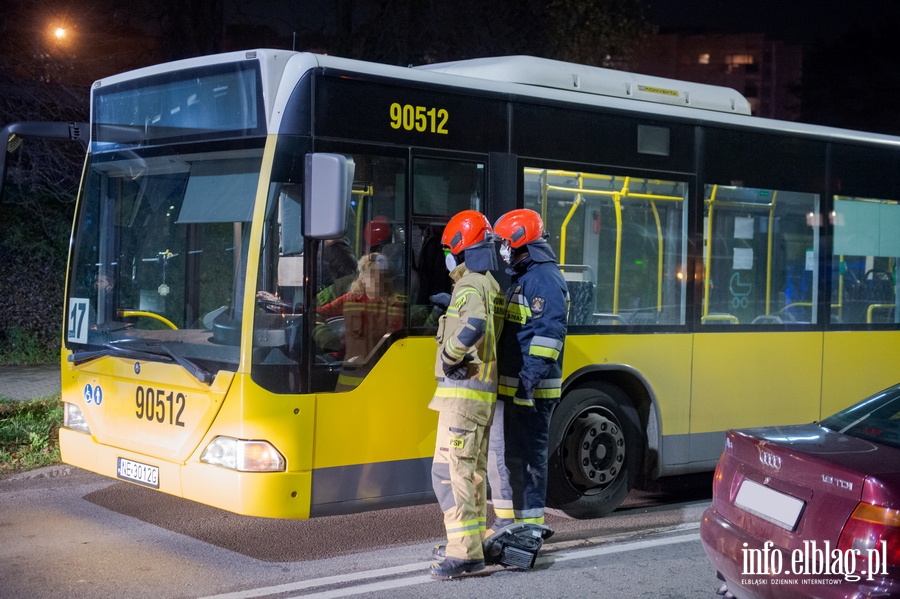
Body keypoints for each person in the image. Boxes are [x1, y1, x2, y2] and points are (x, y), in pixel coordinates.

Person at [429, 210, 503, 579]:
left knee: (450, 473)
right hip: (477, 395)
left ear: (459, 249)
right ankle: (470, 544)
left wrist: (450, 354)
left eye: (448, 249)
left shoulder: (470, 285)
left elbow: (475, 324)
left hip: (464, 394)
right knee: (466, 472)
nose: (446, 258)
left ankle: (463, 553)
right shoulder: (488, 283)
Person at [487, 208, 569, 533]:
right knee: (514, 458)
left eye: (505, 242)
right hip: (518, 387)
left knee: (532, 459)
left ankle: (531, 529)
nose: (502, 249)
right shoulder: (526, 276)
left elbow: (550, 334)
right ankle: (516, 525)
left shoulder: (544, 278)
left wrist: (529, 381)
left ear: (520, 241)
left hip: (533, 390)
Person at [316, 253, 404, 389]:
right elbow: (317, 314)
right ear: (362, 278)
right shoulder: (350, 299)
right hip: (350, 378)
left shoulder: (395, 303)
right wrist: (326, 337)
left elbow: (400, 338)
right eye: (372, 273)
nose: (377, 278)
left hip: (382, 376)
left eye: (381, 273)